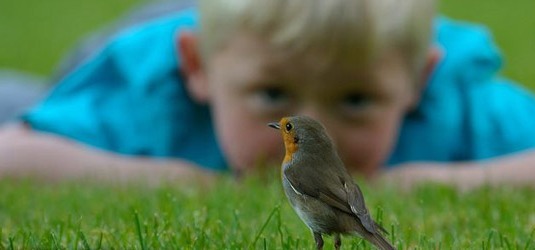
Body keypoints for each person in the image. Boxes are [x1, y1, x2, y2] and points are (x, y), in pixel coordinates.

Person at [1, 0, 534, 190]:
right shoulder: (151, 102)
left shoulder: (457, 104)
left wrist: (439, 181)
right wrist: (169, 179)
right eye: (273, 96)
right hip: (149, 40)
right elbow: (12, 152)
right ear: (199, 71)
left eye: (355, 100)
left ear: (417, 81)